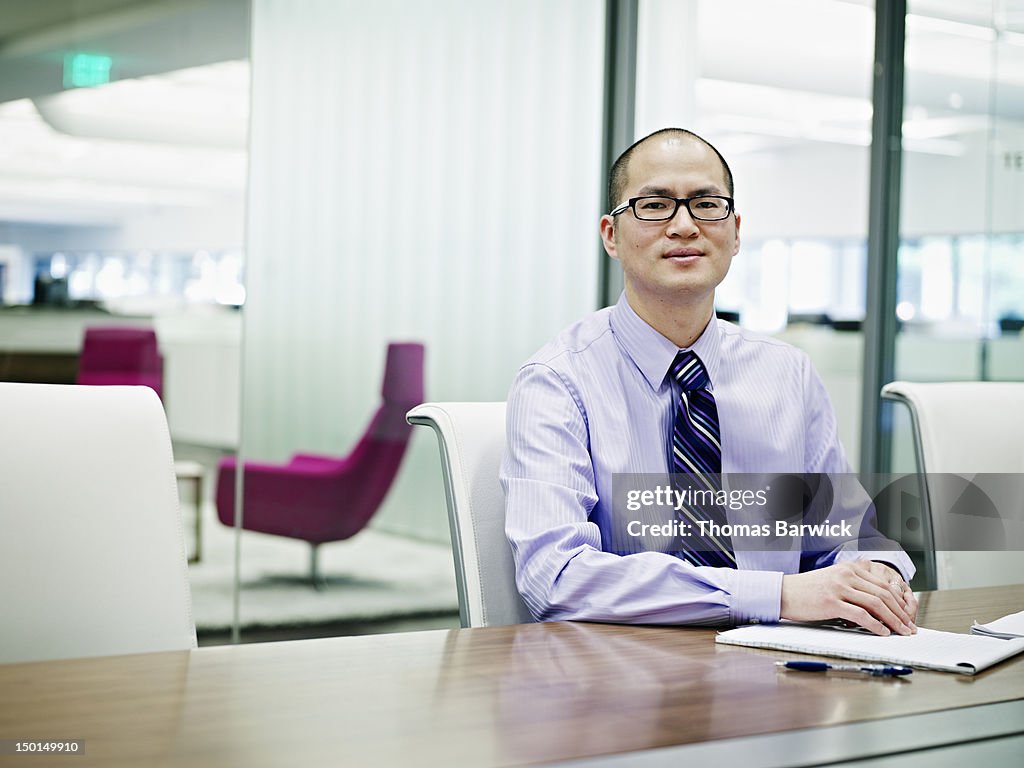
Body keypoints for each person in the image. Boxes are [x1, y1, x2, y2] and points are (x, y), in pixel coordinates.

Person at [500, 127, 918, 636]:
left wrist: (877, 574)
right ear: (611, 235)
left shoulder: (787, 374)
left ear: (736, 232)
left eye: (706, 204)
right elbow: (555, 576)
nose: (684, 226)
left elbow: (848, 535)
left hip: (781, 673)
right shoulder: (556, 382)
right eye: (654, 206)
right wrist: (776, 594)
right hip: (624, 677)